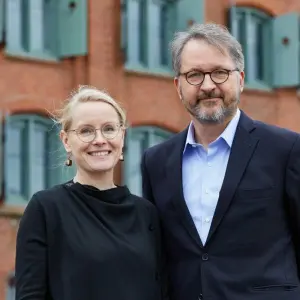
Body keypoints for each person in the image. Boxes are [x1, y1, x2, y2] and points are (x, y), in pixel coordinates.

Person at [141, 23, 300, 300]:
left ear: (240, 79)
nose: (207, 85)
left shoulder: (286, 149)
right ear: (178, 86)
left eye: (219, 72)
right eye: (194, 75)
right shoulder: (156, 161)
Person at [15, 85, 167, 300]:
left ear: (122, 136)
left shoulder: (147, 213)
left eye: (109, 129)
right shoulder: (46, 208)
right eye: (86, 131)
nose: (99, 140)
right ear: (66, 140)